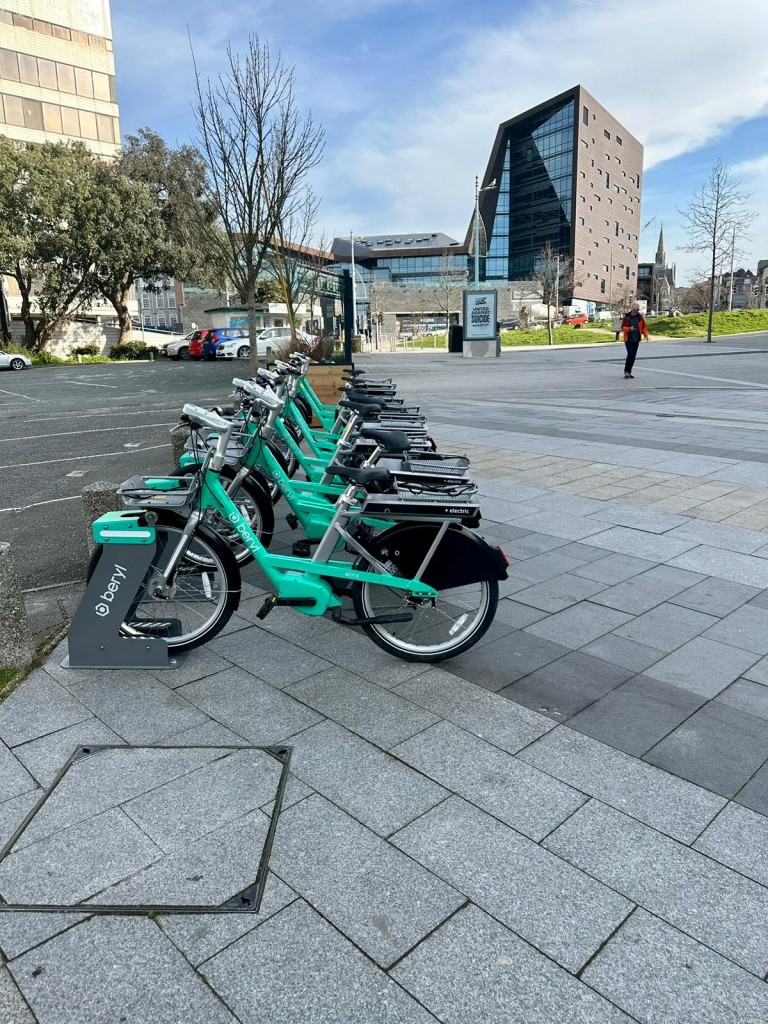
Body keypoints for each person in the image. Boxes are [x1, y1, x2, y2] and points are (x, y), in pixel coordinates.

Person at [621, 304, 648, 379]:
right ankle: (626, 371)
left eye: (637, 310)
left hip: (636, 339)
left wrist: (646, 335)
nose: (635, 311)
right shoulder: (627, 317)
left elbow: (643, 327)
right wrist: (630, 329)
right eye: (634, 309)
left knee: (633, 356)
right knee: (630, 354)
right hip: (628, 339)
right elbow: (623, 327)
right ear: (631, 309)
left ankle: (629, 372)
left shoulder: (639, 317)